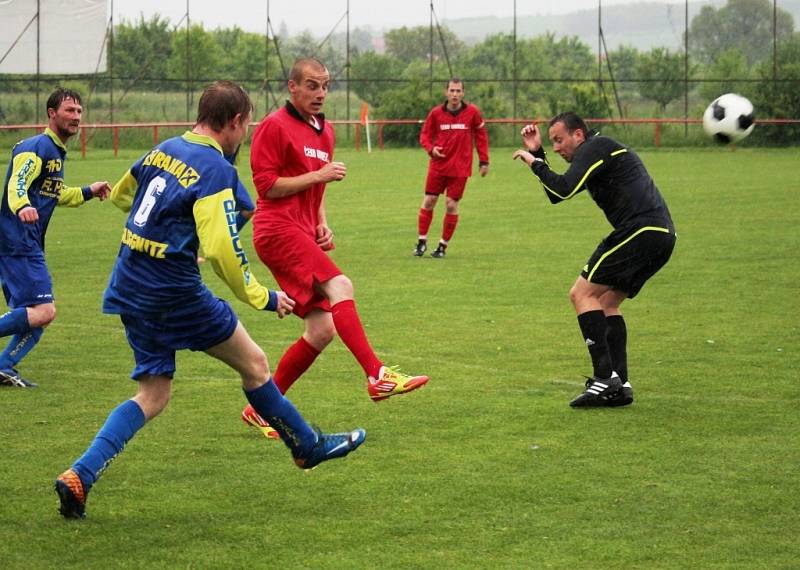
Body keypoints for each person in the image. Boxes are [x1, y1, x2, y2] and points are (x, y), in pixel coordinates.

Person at [54, 81, 366, 519]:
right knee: (256, 366)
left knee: (154, 393)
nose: (245, 135)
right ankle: (307, 447)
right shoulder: (217, 169)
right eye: (246, 126)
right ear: (235, 122)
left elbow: (124, 197)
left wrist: (173, 222)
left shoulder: (164, 148)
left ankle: (79, 476)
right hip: (174, 291)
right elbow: (221, 251)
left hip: (129, 284)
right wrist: (262, 296)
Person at [241, 58, 428, 439]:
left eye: (325, 85)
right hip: (276, 229)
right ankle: (377, 376)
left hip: (300, 231)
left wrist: (321, 222)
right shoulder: (273, 127)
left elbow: (315, 190)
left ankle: (259, 409)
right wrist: (319, 176)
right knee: (341, 286)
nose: (320, 93)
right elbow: (266, 187)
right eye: (312, 85)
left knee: (322, 329)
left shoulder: (324, 133)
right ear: (292, 87)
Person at [512, 112, 676, 407]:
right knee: (606, 302)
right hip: (661, 235)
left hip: (641, 229)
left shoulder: (594, 149)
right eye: (553, 142)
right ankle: (619, 384)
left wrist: (534, 161)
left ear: (579, 135)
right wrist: (539, 152)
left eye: (560, 140)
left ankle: (604, 378)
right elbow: (557, 195)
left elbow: (563, 188)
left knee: (581, 293)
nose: (558, 147)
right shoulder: (594, 154)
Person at [0, 88, 111, 388]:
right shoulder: (36, 147)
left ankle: (3, 366)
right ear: (52, 113)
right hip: (18, 241)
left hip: (25, 242)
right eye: (69, 111)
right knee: (44, 310)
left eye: (79, 111)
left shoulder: (54, 152)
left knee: (39, 314)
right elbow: (17, 183)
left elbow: (55, 193)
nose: (76, 117)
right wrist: (22, 204)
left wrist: (89, 190)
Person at [413, 78, 489, 259]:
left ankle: (442, 246)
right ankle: (421, 242)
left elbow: (481, 136)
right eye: (452, 91)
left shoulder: (472, 113)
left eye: (458, 91)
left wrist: (484, 160)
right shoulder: (436, 113)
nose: (455, 94)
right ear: (446, 92)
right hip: (438, 166)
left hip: (460, 168)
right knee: (429, 200)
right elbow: (424, 135)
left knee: (451, 204)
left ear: (463, 93)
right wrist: (431, 149)